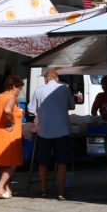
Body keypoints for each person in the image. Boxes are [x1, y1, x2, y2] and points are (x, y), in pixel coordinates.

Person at [28, 70, 75, 200]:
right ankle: (61, 192)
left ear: (46, 79)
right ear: (57, 78)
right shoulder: (65, 89)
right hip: (62, 130)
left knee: (43, 162)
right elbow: (72, 106)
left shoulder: (38, 91)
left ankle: (43, 190)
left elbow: (31, 110)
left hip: (44, 131)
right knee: (62, 162)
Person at [0, 75, 24, 199]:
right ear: (14, 87)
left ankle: (7, 189)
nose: (19, 91)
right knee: (13, 163)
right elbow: (7, 110)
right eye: (19, 88)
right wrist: (12, 122)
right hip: (8, 137)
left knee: (4, 164)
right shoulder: (11, 97)